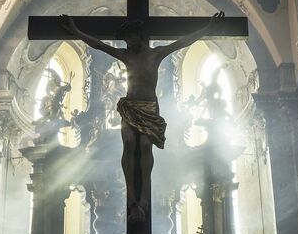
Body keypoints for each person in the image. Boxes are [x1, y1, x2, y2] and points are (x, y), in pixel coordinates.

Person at [59, 12, 224, 220]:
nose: (127, 44)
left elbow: (182, 42)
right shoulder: (126, 56)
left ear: (138, 35)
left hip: (149, 108)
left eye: (130, 38)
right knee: (129, 143)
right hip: (129, 106)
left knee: (145, 146)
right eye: (125, 40)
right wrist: (76, 32)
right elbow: (99, 45)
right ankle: (131, 197)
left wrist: (207, 29)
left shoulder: (156, 54)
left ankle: (144, 197)